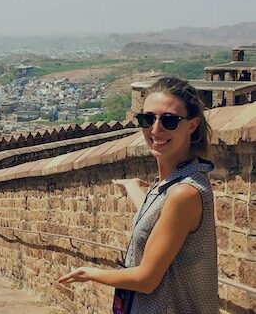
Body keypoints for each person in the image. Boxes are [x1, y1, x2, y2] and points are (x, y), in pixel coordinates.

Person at [58, 77, 218, 313]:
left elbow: (146, 279)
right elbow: (159, 220)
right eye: (147, 119)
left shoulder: (184, 192)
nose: (155, 129)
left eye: (169, 120)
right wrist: (133, 187)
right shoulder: (171, 182)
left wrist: (90, 273)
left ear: (192, 125)